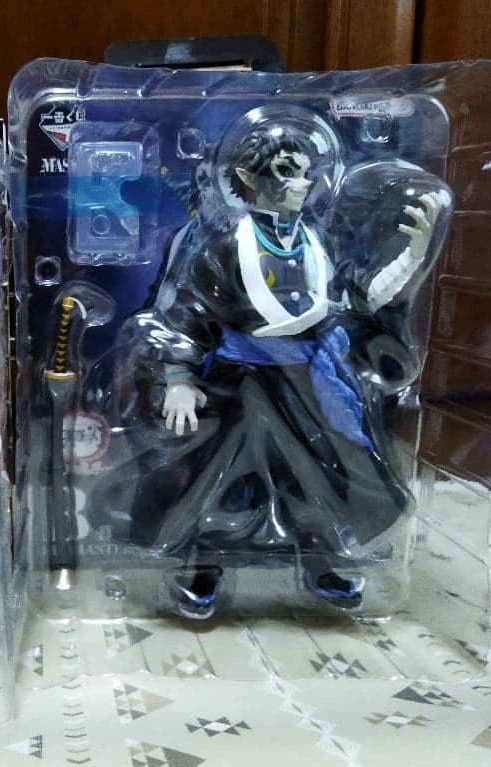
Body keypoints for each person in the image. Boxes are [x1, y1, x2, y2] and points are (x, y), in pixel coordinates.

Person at [125, 119, 449, 618]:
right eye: (287, 172)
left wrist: (414, 255)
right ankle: (207, 562)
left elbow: (364, 297)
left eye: (304, 172)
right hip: (240, 383)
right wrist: (179, 378)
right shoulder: (224, 246)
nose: (303, 183)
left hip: (305, 381)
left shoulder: (318, 243)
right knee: (220, 476)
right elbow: (188, 313)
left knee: (321, 471)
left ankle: (321, 559)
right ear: (248, 179)